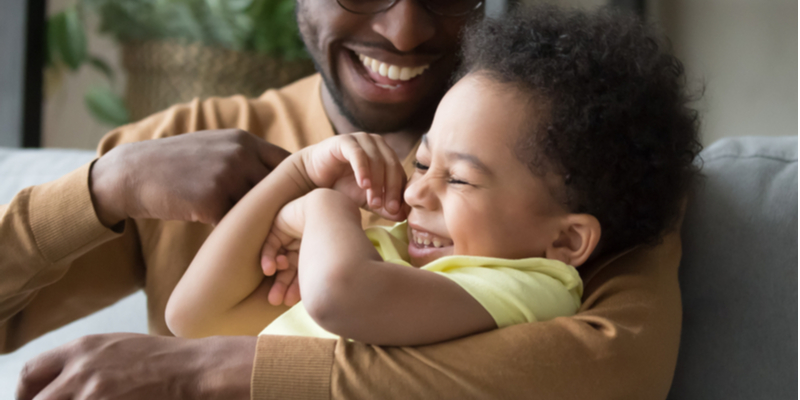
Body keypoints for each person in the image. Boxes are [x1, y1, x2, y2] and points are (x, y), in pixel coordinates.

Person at [3, 3, 696, 400]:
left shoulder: (589, 169)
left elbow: (610, 368)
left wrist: (209, 372)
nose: (404, 30)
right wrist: (104, 188)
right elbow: (193, 314)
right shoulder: (180, 144)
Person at [166, 8, 700, 348]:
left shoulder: (531, 290)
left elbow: (339, 297)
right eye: (422, 163)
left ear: (564, 239)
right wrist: (296, 173)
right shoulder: (393, 251)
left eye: (460, 180)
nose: (417, 191)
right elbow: (193, 315)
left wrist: (325, 206)